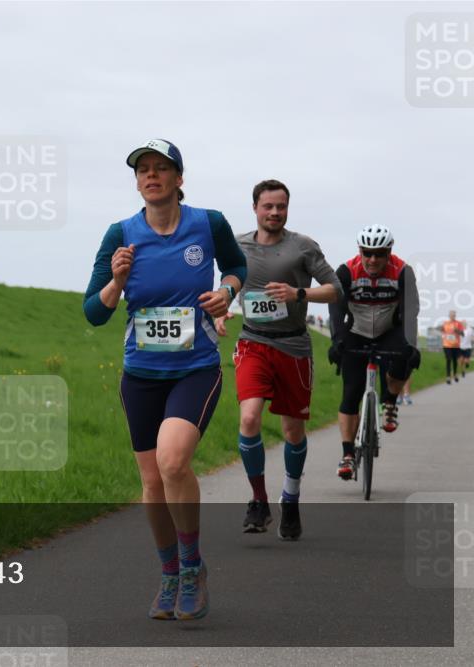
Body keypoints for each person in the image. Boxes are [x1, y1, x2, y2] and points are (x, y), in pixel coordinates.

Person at [84, 139, 246, 621]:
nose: (151, 176)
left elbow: (237, 266)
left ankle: (194, 567)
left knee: (174, 462)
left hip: (195, 368)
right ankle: (169, 573)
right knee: (152, 483)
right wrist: (115, 281)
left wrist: (226, 292)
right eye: (143, 170)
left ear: (179, 178)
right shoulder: (121, 234)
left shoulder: (208, 223)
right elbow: (94, 312)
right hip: (141, 374)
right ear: (137, 181)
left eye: (161, 168)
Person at [215, 180, 339, 540]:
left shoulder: (302, 247)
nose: (274, 213)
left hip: (294, 346)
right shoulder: (238, 245)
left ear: (287, 209)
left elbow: (335, 289)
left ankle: (291, 498)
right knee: (249, 417)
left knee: (292, 431)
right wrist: (223, 309)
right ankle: (258, 500)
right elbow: (230, 280)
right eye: (268, 206)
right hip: (254, 342)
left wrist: (298, 292)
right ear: (255, 207)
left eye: (280, 207)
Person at [328, 225, 420, 481]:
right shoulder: (347, 270)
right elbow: (336, 308)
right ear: (360, 251)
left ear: (389, 252)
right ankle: (347, 455)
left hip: (389, 329)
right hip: (355, 330)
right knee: (351, 392)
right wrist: (337, 341)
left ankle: (389, 400)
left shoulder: (402, 271)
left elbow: (411, 310)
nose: (372, 260)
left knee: (404, 360)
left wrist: (411, 345)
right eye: (367, 253)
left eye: (379, 254)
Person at [438, 310, 467, 384]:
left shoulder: (458, 323)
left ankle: (455, 374)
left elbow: (462, 334)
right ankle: (448, 377)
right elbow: (441, 331)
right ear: (449, 315)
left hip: (456, 346)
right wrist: (441, 329)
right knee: (448, 359)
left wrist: (457, 331)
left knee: (454, 360)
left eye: (454, 315)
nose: (452, 316)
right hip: (446, 345)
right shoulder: (445, 323)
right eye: (451, 315)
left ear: (455, 316)